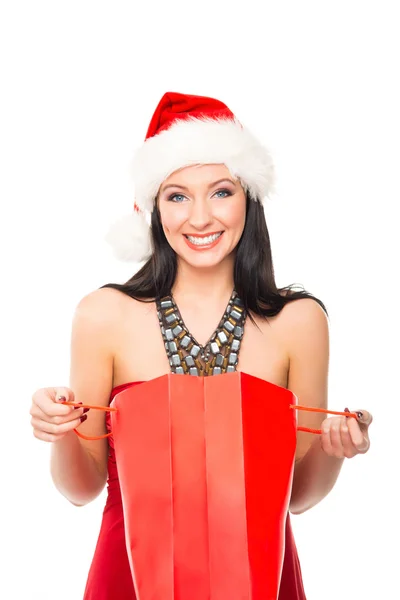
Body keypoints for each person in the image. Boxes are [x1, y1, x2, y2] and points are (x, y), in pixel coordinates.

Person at [29, 92, 373, 599]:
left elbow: (296, 496)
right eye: (177, 196)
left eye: (220, 192)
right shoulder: (104, 316)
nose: (200, 218)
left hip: (259, 575)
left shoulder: (299, 322)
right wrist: (58, 429)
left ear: (248, 198)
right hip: (130, 572)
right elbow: (82, 488)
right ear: (153, 209)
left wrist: (336, 450)